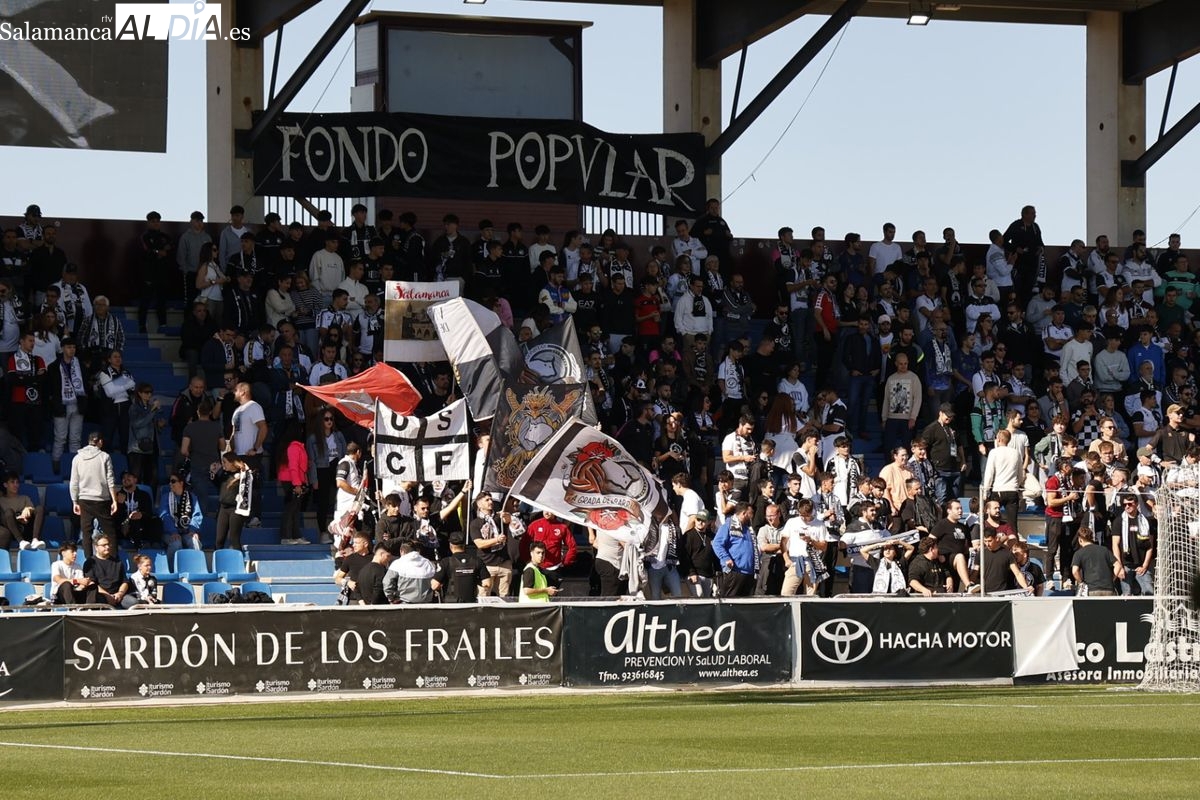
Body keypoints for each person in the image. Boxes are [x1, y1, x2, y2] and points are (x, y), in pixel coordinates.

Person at [69, 431, 117, 557]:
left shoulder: (77, 458)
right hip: (102, 499)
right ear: (100, 442)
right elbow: (110, 480)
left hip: (84, 499)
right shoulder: (105, 456)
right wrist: (114, 500)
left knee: (86, 533)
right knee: (110, 532)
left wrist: (74, 501)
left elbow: (74, 482)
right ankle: (113, 561)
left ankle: (89, 562)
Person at [469, 493, 516, 597]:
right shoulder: (475, 523)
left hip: (504, 563)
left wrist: (507, 516)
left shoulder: (498, 517)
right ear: (479, 504)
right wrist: (496, 540)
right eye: (487, 500)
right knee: (484, 595)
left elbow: (508, 520)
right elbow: (479, 544)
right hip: (486, 564)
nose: (490, 502)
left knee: (504, 596)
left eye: (491, 499)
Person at [712, 501, 757, 597]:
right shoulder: (728, 526)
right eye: (750, 513)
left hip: (749, 573)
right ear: (744, 513)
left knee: (745, 605)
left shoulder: (749, 529)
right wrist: (725, 558)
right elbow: (716, 543)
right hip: (735, 571)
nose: (752, 516)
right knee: (730, 602)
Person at [432, 531, 492, 603]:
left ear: (450, 545)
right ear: (464, 545)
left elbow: (434, 585)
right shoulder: (477, 561)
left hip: (450, 605)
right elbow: (487, 583)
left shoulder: (446, 562)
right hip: (470, 604)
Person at [524, 511, 577, 588]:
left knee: (552, 597)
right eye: (545, 509)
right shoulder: (534, 525)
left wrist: (565, 562)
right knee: (535, 593)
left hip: (554, 568)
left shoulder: (562, 527)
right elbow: (524, 543)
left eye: (549, 510)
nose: (547, 512)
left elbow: (572, 546)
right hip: (536, 567)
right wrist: (527, 559)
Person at [83, 534, 135, 609]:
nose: (107, 547)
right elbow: (92, 584)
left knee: (133, 603)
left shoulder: (118, 562)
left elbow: (124, 581)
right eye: (104, 545)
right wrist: (107, 596)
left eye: (108, 544)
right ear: (96, 547)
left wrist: (120, 593)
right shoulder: (90, 563)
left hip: (118, 595)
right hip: (100, 595)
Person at [214, 452, 252, 551]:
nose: (223, 465)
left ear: (232, 463)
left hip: (236, 509)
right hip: (223, 508)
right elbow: (218, 485)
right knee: (219, 539)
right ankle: (218, 561)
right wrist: (213, 473)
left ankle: (238, 561)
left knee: (233, 538)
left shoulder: (243, 475)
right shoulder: (224, 473)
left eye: (225, 462)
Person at [160, 471, 203, 558]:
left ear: (181, 483)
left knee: (194, 541)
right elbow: (164, 516)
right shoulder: (166, 497)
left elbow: (197, 515)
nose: (170, 484)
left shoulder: (192, 497)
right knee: (176, 543)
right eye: (169, 481)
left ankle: (195, 569)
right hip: (169, 533)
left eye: (173, 481)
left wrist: (192, 530)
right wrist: (173, 532)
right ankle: (172, 571)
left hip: (187, 531)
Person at [1072, 526, 1123, 596]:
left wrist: (1081, 583)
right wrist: (1112, 579)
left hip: (1091, 590)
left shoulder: (1079, 553)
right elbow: (1118, 565)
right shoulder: (1104, 550)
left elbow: (1074, 571)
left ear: (1080, 540)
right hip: (1108, 589)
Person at [0, 471, 42, 550]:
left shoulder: (24, 498)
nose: (16, 485)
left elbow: (32, 508)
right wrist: (17, 518)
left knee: (40, 508)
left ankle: (35, 540)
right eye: (12, 482)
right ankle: (21, 542)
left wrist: (28, 509)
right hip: (12, 531)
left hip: (26, 527)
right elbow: (4, 519)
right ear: (5, 485)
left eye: (17, 482)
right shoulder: (1, 500)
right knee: (8, 512)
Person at [354, 541, 393, 605]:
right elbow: (378, 590)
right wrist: (372, 605)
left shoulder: (363, 570)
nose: (389, 559)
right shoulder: (381, 570)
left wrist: (362, 604)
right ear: (381, 554)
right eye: (388, 556)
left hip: (366, 609)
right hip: (380, 610)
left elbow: (356, 588)